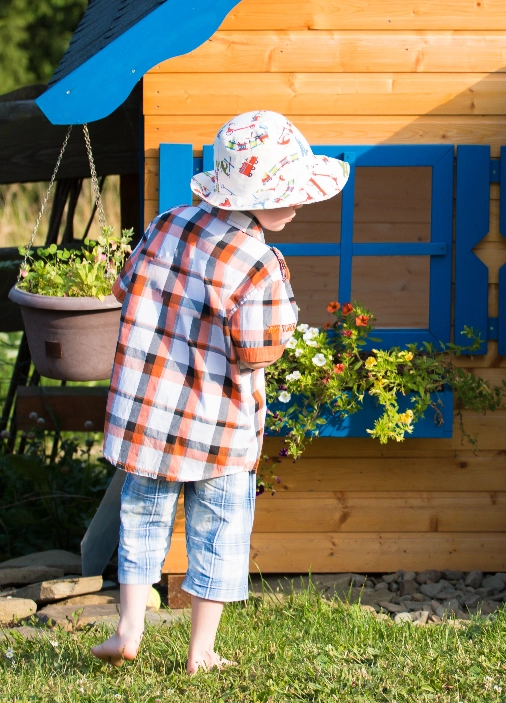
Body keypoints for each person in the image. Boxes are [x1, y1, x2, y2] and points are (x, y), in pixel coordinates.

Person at [90, 111, 349, 673]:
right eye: (289, 193)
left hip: (150, 413)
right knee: (220, 529)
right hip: (222, 423)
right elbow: (258, 350)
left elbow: (124, 286)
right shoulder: (260, 262)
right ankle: (200, 651)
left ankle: (129, 627)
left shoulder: (166, 223)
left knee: (143, 515)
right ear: (254, 197)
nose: (299, 204)